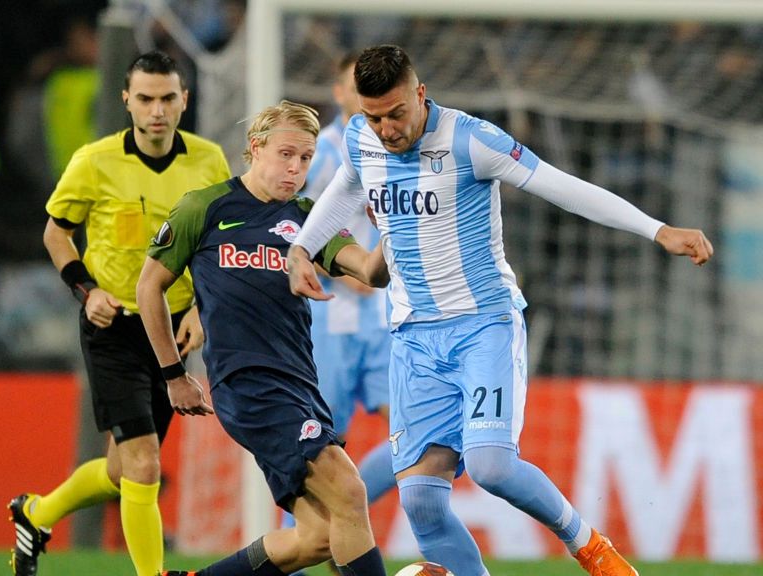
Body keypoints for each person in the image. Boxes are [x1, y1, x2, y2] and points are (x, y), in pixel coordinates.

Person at [289, 45, 714, 576]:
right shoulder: (360, 138)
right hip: (414, 338)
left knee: (490, 465)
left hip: (481, 325)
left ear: (421, 95)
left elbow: (564, 188)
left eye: (396, 114)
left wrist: (658, 229)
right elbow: (344, 190)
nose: (386, 130)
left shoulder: (472, 139)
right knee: (420, 501)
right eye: (374, 117)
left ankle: (591, 548)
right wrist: (303, 248)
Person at [138, 100, 389, 576]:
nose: (295, 169)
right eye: (286, 154)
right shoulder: (205, 208)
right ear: (256, 148)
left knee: (317, 537)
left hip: (301, 387)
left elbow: (371, 273)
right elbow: (148, 287)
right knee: (351, 491)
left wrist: (391, 230)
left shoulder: (308, 217)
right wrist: (173, 375)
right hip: (248, 383)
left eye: (306, 158)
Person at [8, 50, 231, 576]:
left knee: (122, 468)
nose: (157, 110)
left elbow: (217, 245)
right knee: (146, 464)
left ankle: (36, 513)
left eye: (167, 99)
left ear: (184, 102)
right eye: (146, 99)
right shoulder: (94, 160)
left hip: (172, 331)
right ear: (126, 100)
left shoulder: (209, 161)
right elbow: (55, 233)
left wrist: (200, 308)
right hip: (113, 326)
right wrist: (87, 291)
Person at [286, 53, 397, 576]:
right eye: (357, 86)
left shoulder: (394, 153)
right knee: (315, 455)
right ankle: (302, 546)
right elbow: (297, 234)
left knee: (415, 437)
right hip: (329, 321)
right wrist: (351, 275)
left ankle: (345, 522)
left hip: (380, 323)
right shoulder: (325, 153)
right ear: (338, 92)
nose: (366, 93)